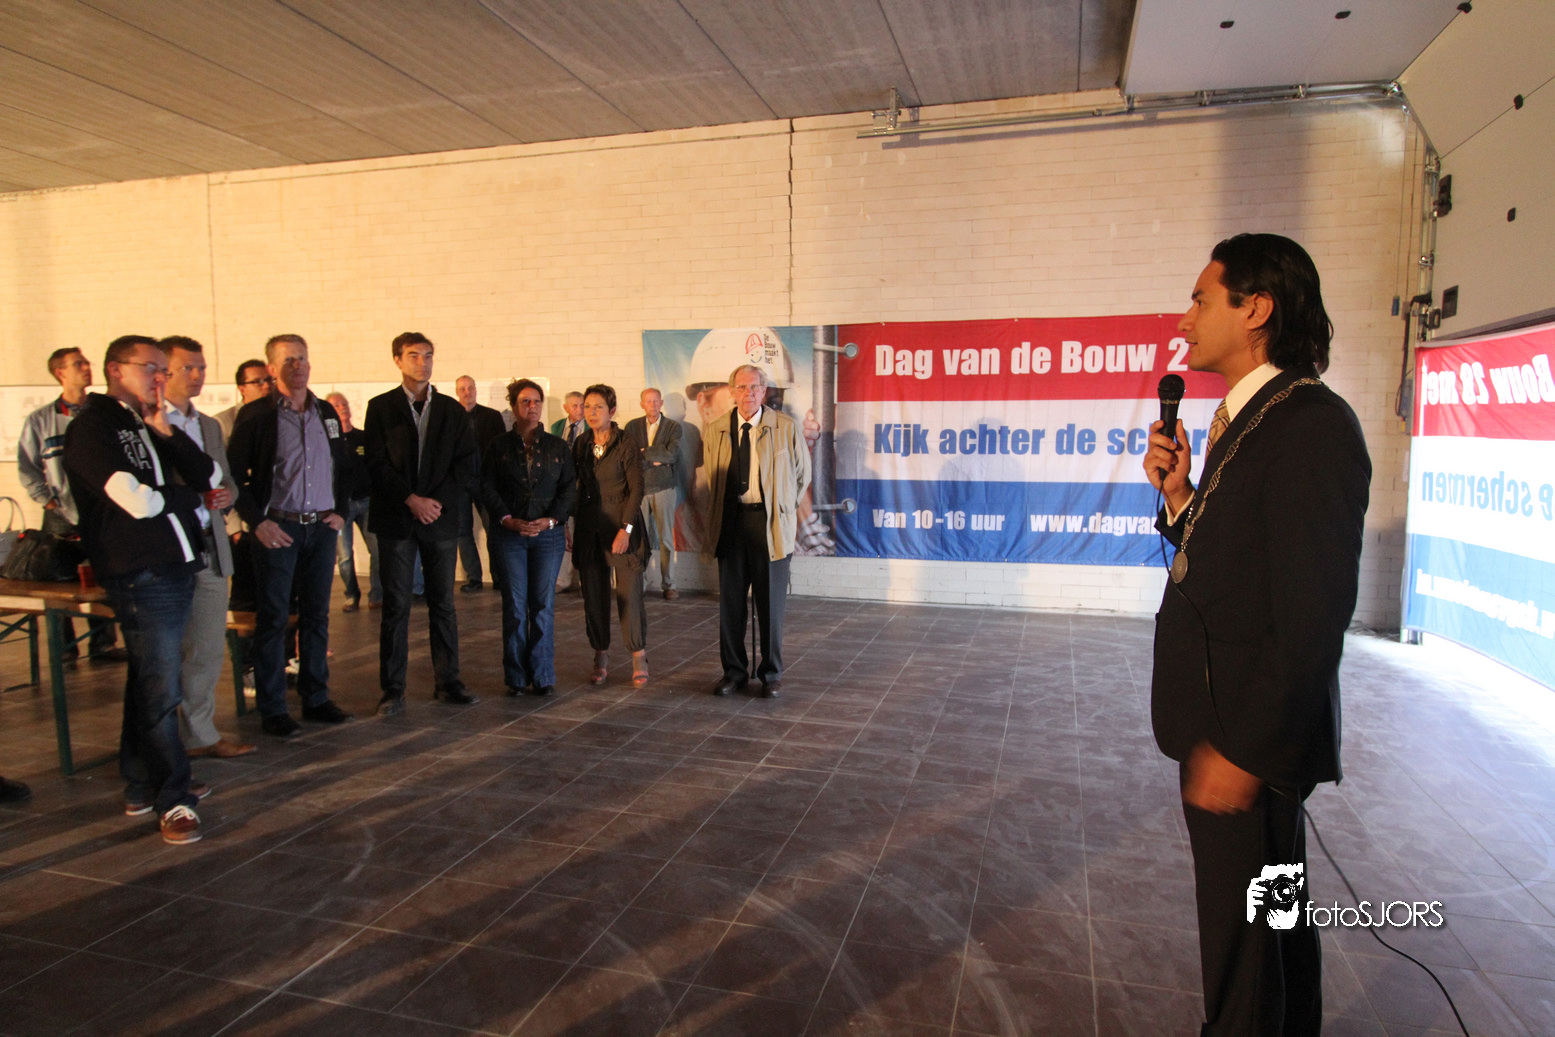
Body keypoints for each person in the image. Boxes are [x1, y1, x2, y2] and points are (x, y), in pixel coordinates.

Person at [1143, 233, 1371, 1036]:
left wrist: (1246, 752)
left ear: (1255, 309)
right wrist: (1180, 496)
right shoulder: (1249, 419)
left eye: (1200, 299)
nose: (1184, 317)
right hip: (1231, 723)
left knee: (1240, 950)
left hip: (1245, 739)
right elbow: (1233, 562)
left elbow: (1313, 613)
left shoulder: (1310, 425)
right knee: (1277, 923)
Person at [63, 335, 222, 844]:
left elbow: (211, 475)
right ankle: (173, 797)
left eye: (163, 369)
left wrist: (167, 433)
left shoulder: (147, 422)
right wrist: (187, 497)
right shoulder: (94, 426)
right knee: (161, 689)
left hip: (175, 564)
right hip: (140, 570)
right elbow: (138, 502)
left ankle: (140, 783)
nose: (161, 378)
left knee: (150, 680)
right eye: (150, 368)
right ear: (115, 369)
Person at [227, 334, 354, 738]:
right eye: (288, 360)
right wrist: (256, 522)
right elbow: (233, 476)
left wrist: (341, 511)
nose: (297, 366)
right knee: (274, 618)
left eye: (302, 358)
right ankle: (273, 707)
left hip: (321, 528)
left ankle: (316, 697)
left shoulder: (325, 412)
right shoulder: (257, 416)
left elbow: (343, 465)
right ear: (271, 369)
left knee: (316, 615)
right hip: (278, 529)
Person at [364, 332, 479, 715]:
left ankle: (448, 682)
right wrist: (410, 500)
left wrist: (434, 503)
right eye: (413, 355)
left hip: (439, 520)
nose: (422, 363)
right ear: (397, 360)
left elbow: (465, 465)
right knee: (396, 606)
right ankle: (392, 689)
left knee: (443, 604)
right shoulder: (380, 408)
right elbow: (376, 463)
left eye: (428, 355)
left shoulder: (451, 411)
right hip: (397, 519)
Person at [159, 336, 255, 759]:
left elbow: (226, 478)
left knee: (208, 648)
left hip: (210, 545)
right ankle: (162, 741)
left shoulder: (209, 426)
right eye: (188, 368)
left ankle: (199, 734)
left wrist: (228, 494)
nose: (197, 375)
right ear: (164, 372)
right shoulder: (147, 423)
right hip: (167, 551)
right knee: (164, 653)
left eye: (201, 368)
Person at [703, 364, 810, 698]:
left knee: (770, 605)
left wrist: (782, 508)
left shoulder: (785, 427)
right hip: (732, 523)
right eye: (741, 387)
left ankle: (771, 674)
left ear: (764, 391)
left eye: (754, 387)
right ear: (732, 391)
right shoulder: (717, 429)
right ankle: (734, 673)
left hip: (769, 524)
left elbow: (802, 475)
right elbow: (713, 478)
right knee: (731, 605)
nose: (748, 393)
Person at [17, 347, 124, 662]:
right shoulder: (40, 421)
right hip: (61, 513)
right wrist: (48, 502)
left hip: (101, 511)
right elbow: (27, 468)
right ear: (60, 373)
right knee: (57, 579)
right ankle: (63, 649)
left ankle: (103, 644)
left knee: (103, 576)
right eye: (78, 364)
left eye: (87, 362)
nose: (87, 367)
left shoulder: (103, 414)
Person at [479, 379, 575, 697]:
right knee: (516, 607)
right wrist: (507, 519)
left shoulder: (558, 447)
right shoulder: (498, 446)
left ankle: (543, 675)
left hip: (548, 536)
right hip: (510, 536)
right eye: (524, 401)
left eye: (536, 401)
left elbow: (568, 489)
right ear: (514, 406)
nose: (531, 407)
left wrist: (552, 520)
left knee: (543, 606)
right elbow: (487, 487)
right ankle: (517, 677)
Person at [571, 384, 649, 687]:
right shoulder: (581, 444)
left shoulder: (626, 442)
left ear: (612, 411)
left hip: (621, 528)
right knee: (594, 597)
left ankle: (638, 656)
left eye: (598, 407)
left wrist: (625, 529)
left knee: (629, 597)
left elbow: (636, 489)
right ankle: (600, 655)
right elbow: (574, 487)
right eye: (587, 407)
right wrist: (567, 524)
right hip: (590, 530)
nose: (591, 413)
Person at [216, 359, 276, 614]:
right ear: (242, 388)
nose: (266, 386)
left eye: (269, 380)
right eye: (257, 381)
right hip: (242, 523)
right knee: (245, 597)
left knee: (277, 594)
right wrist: (234, 525)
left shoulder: (279, 417)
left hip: (276, 519)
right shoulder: (225, 422)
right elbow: (224, 478)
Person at [624, 387, 683, 600]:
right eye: (648, 401)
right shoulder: (632, 426)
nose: (653, 404)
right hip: (639, 490)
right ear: (642, 404)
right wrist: (655, 460)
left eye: (656, 400)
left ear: (661, 403)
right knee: (640, 538)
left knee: (666, 538)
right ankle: (641, 582)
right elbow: (629, 456)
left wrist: (645, 454)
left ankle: (669, 584)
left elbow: (672, 455)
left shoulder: (673, 427)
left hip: (664, 488)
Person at [326, 392, 381, 612]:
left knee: (377, 550)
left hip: (367, 501)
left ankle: (377, 595)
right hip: (341, 506)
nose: (342, 408)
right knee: (345, 555)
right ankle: (351, 595)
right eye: (336, 405)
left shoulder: (363, 437)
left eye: (344, 403)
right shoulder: (328, 442)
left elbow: (375, 466)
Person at [454, 374, 508, 593]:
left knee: (493, 529)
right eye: (462, 389)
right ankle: (473, 577)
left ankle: (499, 577)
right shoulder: (450, 417)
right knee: (462, 532)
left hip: (486, 481)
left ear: (476, 390)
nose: (467, 392)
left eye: (470, 388)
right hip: (459, 482)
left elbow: (502, 450)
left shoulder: (491, 416)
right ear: (457, 392)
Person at [550, 390, 585, 593]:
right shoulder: (557, 427)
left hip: (584, 485)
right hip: (563, 485)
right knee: (565, 532)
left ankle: (584, 581)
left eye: (582, 405)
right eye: (575, 405)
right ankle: (563, 579)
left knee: (584, 532)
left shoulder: (589, 426)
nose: (579, 409)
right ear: (566, 408)